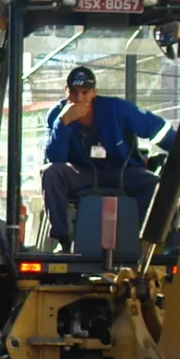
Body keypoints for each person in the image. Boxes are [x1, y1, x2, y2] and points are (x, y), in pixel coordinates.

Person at [40, 65, 167, 251]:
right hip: (83, 174)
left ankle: (145, 242)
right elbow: (54, 157)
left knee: (154, 184)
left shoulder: (116, 108)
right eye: (74, 92)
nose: (79, 98)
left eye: (85, 92)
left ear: (94, 93)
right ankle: (63, 240)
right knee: (50, 173)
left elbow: (155, 127)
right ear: (66, 92)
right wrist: (63, 123)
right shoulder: (57, 115)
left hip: (121, 172)